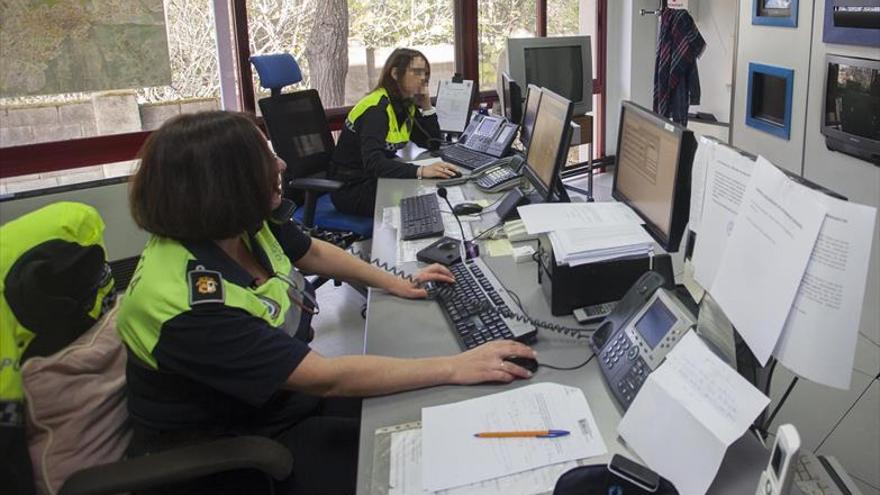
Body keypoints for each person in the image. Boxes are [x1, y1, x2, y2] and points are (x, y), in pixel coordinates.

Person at [117, 111, 536, 495]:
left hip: (277, 401)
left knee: (430, 410)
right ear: (222, 185)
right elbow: (326, 378)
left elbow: (312, 253)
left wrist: (398, 281)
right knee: (422, 463)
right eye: (265, 160)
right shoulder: (188, 304)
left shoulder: (233, 226)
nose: (281, 166)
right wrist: (455, 366)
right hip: (235, 451)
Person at [329, 47, 459, 217]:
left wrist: (426, 106)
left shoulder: (405, 105)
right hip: (352, 188)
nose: (423, 79)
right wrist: (420, 171)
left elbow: (432, 144)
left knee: (431, 196)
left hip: (378, 180)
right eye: (417, 73)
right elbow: (373, 163)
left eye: (426, 74)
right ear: (396, 74)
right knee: (421, 207)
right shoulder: (376, 109)